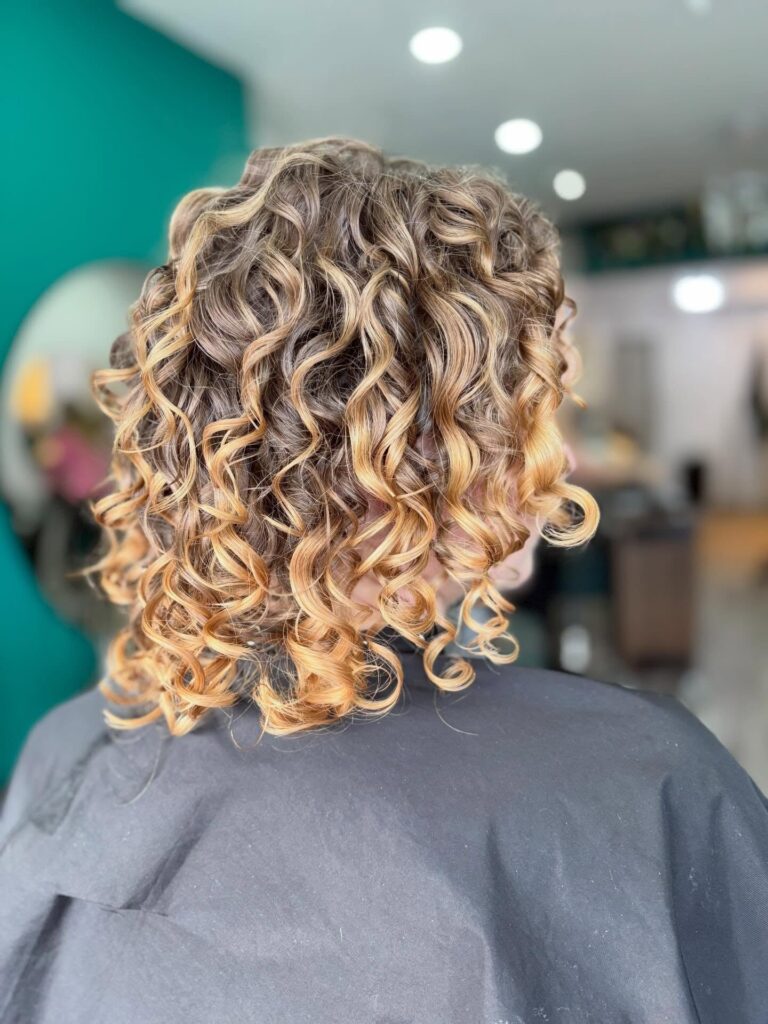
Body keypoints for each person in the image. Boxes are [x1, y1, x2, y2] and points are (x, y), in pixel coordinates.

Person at [1, 137, 766, 1024]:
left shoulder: (62, 756)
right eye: (538, 407)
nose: (557, 459)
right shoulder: (645, 788)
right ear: (420, 455)